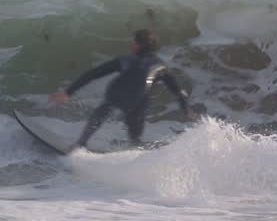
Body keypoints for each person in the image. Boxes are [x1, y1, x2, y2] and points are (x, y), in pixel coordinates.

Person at [48, 29, 196, 151]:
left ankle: (80, 144)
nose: (132, 44)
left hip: (115, 94)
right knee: (135, 137)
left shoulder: (125, 59)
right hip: (137, 101)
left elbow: (94, 73)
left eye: (134, 41)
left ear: (138, 45)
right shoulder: (161, 66)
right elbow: (178, 90)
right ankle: (139, 154)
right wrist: (186, 109)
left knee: (99, 115)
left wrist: (68, 92)